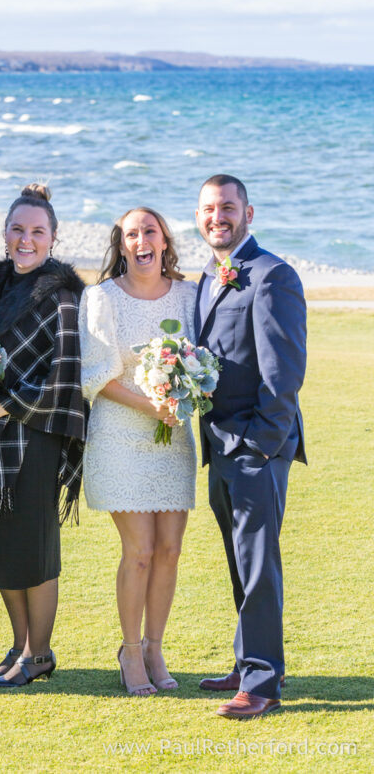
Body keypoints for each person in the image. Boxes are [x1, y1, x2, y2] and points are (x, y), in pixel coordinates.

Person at [0, 184, 87, 688]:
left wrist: (6, 403)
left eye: (37, 231)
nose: (26, 240)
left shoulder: (64, 295)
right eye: (17, 229)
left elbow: (67, 376)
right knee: (1, 541)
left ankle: (39, 654)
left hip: (37, 436)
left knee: (33, 546)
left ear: (53, 238)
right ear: (5, 234)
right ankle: (18, 646)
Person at [194, 174, 307, 719]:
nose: (219, 216)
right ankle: (248, 662)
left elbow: (283, 373)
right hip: (218, 442)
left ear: (249, 213)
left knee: (258, 562)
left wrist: (261, 445)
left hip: (255, 445)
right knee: (239, 561)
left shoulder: (271, 275)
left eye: (228, 207)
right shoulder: (206, 277)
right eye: (210, 208)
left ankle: (261, 683)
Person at [79, 207, 197, 696]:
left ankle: (155, 646)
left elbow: (202, 360)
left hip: (174, 442)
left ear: (165, 241)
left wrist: (185, 394)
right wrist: (154, 405)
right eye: (132, 234)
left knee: (170, 550)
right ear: (122, 244)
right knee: (142, 551)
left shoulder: (190, 296)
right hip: (119, 438)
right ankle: (129, 651)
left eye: (150, 231)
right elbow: (96, 376)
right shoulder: (101, 298)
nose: (142, 240)